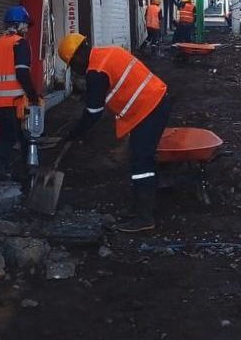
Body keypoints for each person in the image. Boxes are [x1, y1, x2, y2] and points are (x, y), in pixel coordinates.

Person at [57, 34, 171, 233]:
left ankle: (145, 217)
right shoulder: (105, 54)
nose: (76, 70)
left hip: (149, 107)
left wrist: (75, 133)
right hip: (150, 103)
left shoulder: (96, 71)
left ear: (77, 57)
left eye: (72, 65)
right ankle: (141, 208)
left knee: (141, 162)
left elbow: (93, 112)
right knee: (139, 158)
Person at [0, 5, 39, 182]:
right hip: (15, 102)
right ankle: (25, 172)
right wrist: (33, 96)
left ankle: (0, 170)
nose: (26, 29)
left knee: (7, 134)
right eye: (25, 25)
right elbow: (22, 73)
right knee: (24, 136)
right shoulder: (19, 44)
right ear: (19, 25)